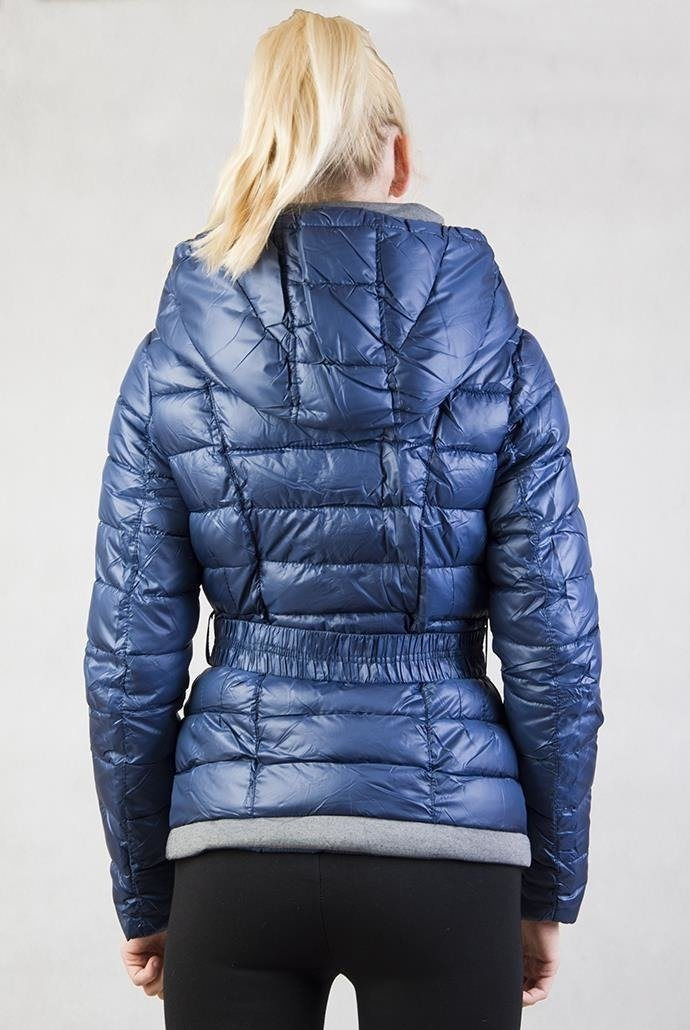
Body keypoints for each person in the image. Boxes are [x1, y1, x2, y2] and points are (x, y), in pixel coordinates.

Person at [83, 9, 605, 1029]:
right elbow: (559, 653)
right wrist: (547, 885)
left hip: (235, 853)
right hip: (449, 849)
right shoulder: (504, 358)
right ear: (397, 156)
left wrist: (147, 890)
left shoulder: (171, 361)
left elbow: (126, 661)